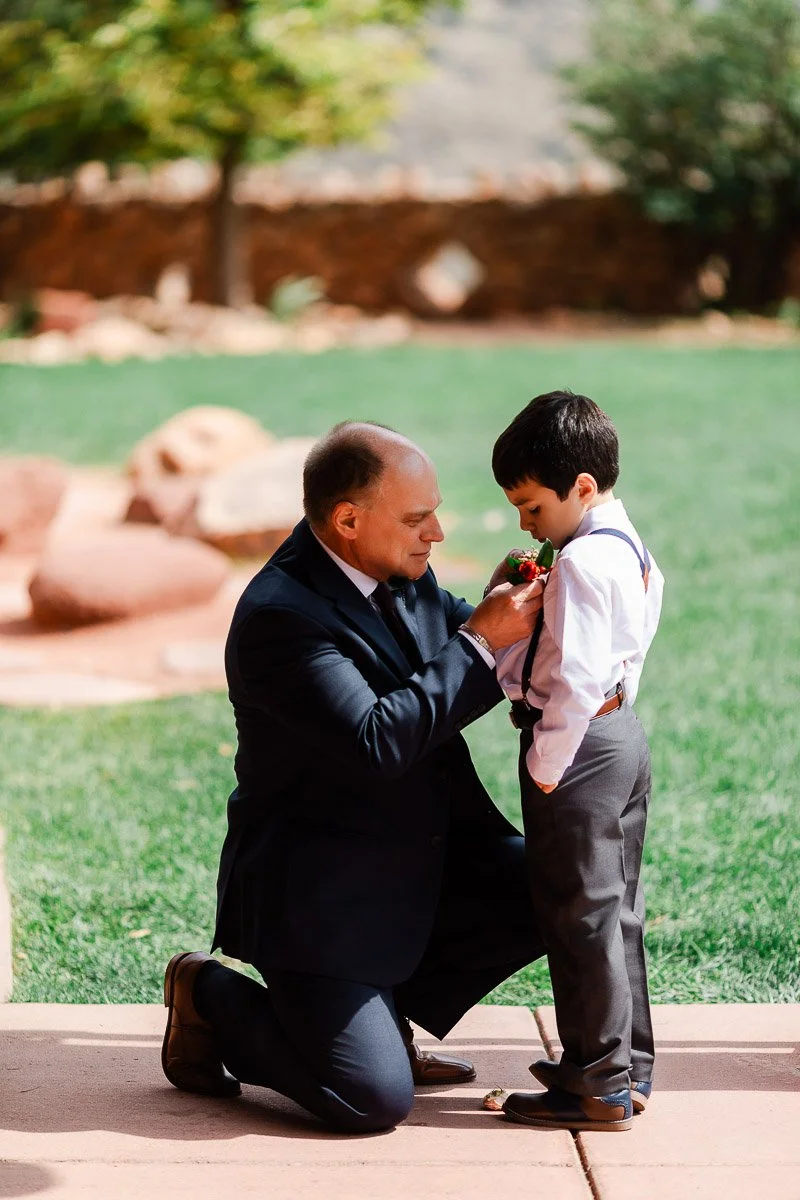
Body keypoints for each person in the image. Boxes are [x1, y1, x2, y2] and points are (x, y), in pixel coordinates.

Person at [161, 420, 546, 1133]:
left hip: (420, 856)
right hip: (320, 897)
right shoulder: (281, 617)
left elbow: (457, 651)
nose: (435, 533)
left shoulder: (394, 565)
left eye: (433, 510)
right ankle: (207, 994)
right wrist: (480, 642)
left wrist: (511, 611)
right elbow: (378, 740)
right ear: (347, 520)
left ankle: (385, 1009)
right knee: (370, 1100)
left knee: (563, 879)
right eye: (416, 517)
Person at [490, 390, 664, 1132]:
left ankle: (594, 1082)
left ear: (582, 488)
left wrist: (546, 764)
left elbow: (577, 679)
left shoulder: (586, 563)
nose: (525, 523)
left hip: (579, 747)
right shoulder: (626, 544)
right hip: (621, 736)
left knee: (578, 916)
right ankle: (629, 1068)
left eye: (532, 506)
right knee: (616, 911)